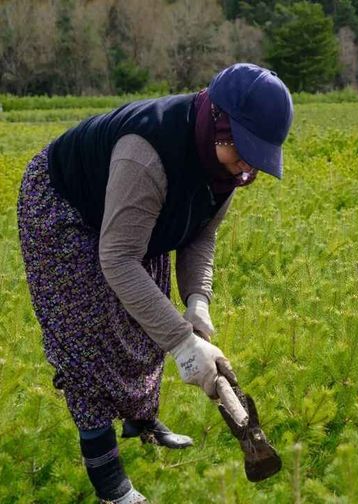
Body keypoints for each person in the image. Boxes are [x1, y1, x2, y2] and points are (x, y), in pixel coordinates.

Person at [16, 63, 293, 504]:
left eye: (257, 157)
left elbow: (201, 232)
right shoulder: (146, 152)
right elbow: (118, 258)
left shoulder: (229, 167)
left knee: (144, 322)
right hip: (63, 208)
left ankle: (140, 420)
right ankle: (114, 488)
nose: (247, 168)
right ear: (219, 123)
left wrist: (197, 301)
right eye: (244, 151)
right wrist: (183, 345)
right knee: (86, 338)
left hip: (131, 217)